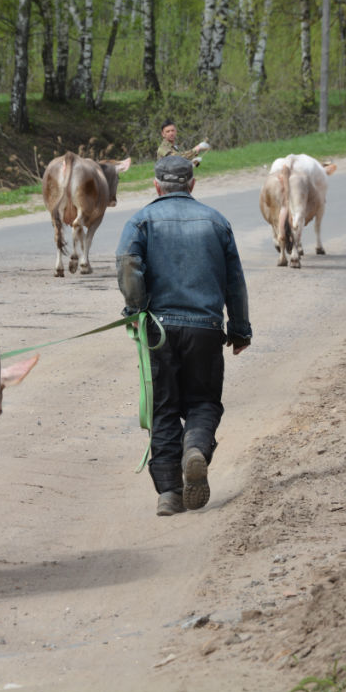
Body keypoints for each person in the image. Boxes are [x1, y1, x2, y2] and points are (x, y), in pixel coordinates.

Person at [115, 155, 252, 517]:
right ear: (192, 184)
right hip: (205, 329)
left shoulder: (140, 220)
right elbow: (234, 280)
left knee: (164, 409)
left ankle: (169, 494)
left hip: (158, 331)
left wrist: (135, 310)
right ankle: (195, 449)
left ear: (156, 186)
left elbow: (128, 263)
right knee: (203, 402)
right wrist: (239, 329)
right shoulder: (216, 221)